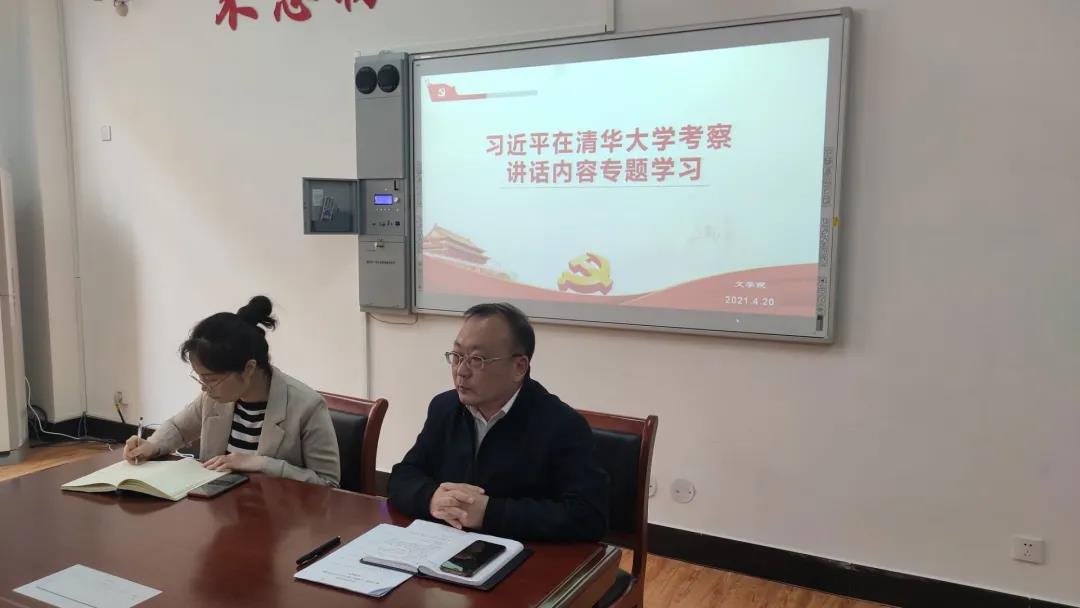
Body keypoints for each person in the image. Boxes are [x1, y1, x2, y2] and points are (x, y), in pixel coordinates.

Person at [388, 302, 608, 541]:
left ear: (519, 367)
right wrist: (431, 498)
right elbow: (402, 476)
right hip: (446, 546)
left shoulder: (562, 425)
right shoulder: (445, 408)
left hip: (526, 554)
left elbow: (588, 516)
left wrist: (488, 512)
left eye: (477, 359)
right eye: (457, 356)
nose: (461, 371)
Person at [122, 296, 340, 487]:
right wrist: (152, 445)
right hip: (221, 508)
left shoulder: (307, 406)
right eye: (200, 378)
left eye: (211, 379)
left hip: (279, 513)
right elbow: (179, 428)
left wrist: (262, 464)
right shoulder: (215, 397)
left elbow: (328, 483)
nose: (204, 387)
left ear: (249, 368)